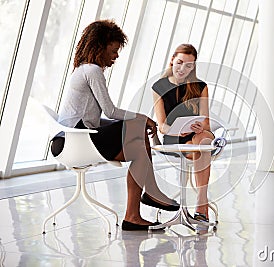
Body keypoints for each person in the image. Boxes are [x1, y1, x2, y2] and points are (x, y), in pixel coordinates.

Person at [51, 20, 179, 231]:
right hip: (75, 142)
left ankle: (134, 215)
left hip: (70, 140)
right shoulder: (92, 71)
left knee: (138, 148)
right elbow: (110, 111)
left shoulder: (83, 70)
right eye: (114, 50)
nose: (117, 55)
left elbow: (94, 119)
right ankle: (149, 195)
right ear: (100, 45)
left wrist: (134, 121)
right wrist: (142, 118)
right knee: (137, 130)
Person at [152, 44, 214, 228]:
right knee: (201, 146)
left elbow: (206, 122)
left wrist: (198, 126)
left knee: (202, 138)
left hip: (197, 135)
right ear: (172, 59)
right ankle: (202, 208)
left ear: (193, 66)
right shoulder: (158, 87)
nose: (182, 69)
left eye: (189, 65)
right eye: (180, 63)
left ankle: (201, 201)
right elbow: (162, 125)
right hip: (174, 136)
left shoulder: (200, 86)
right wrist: (177, 130)